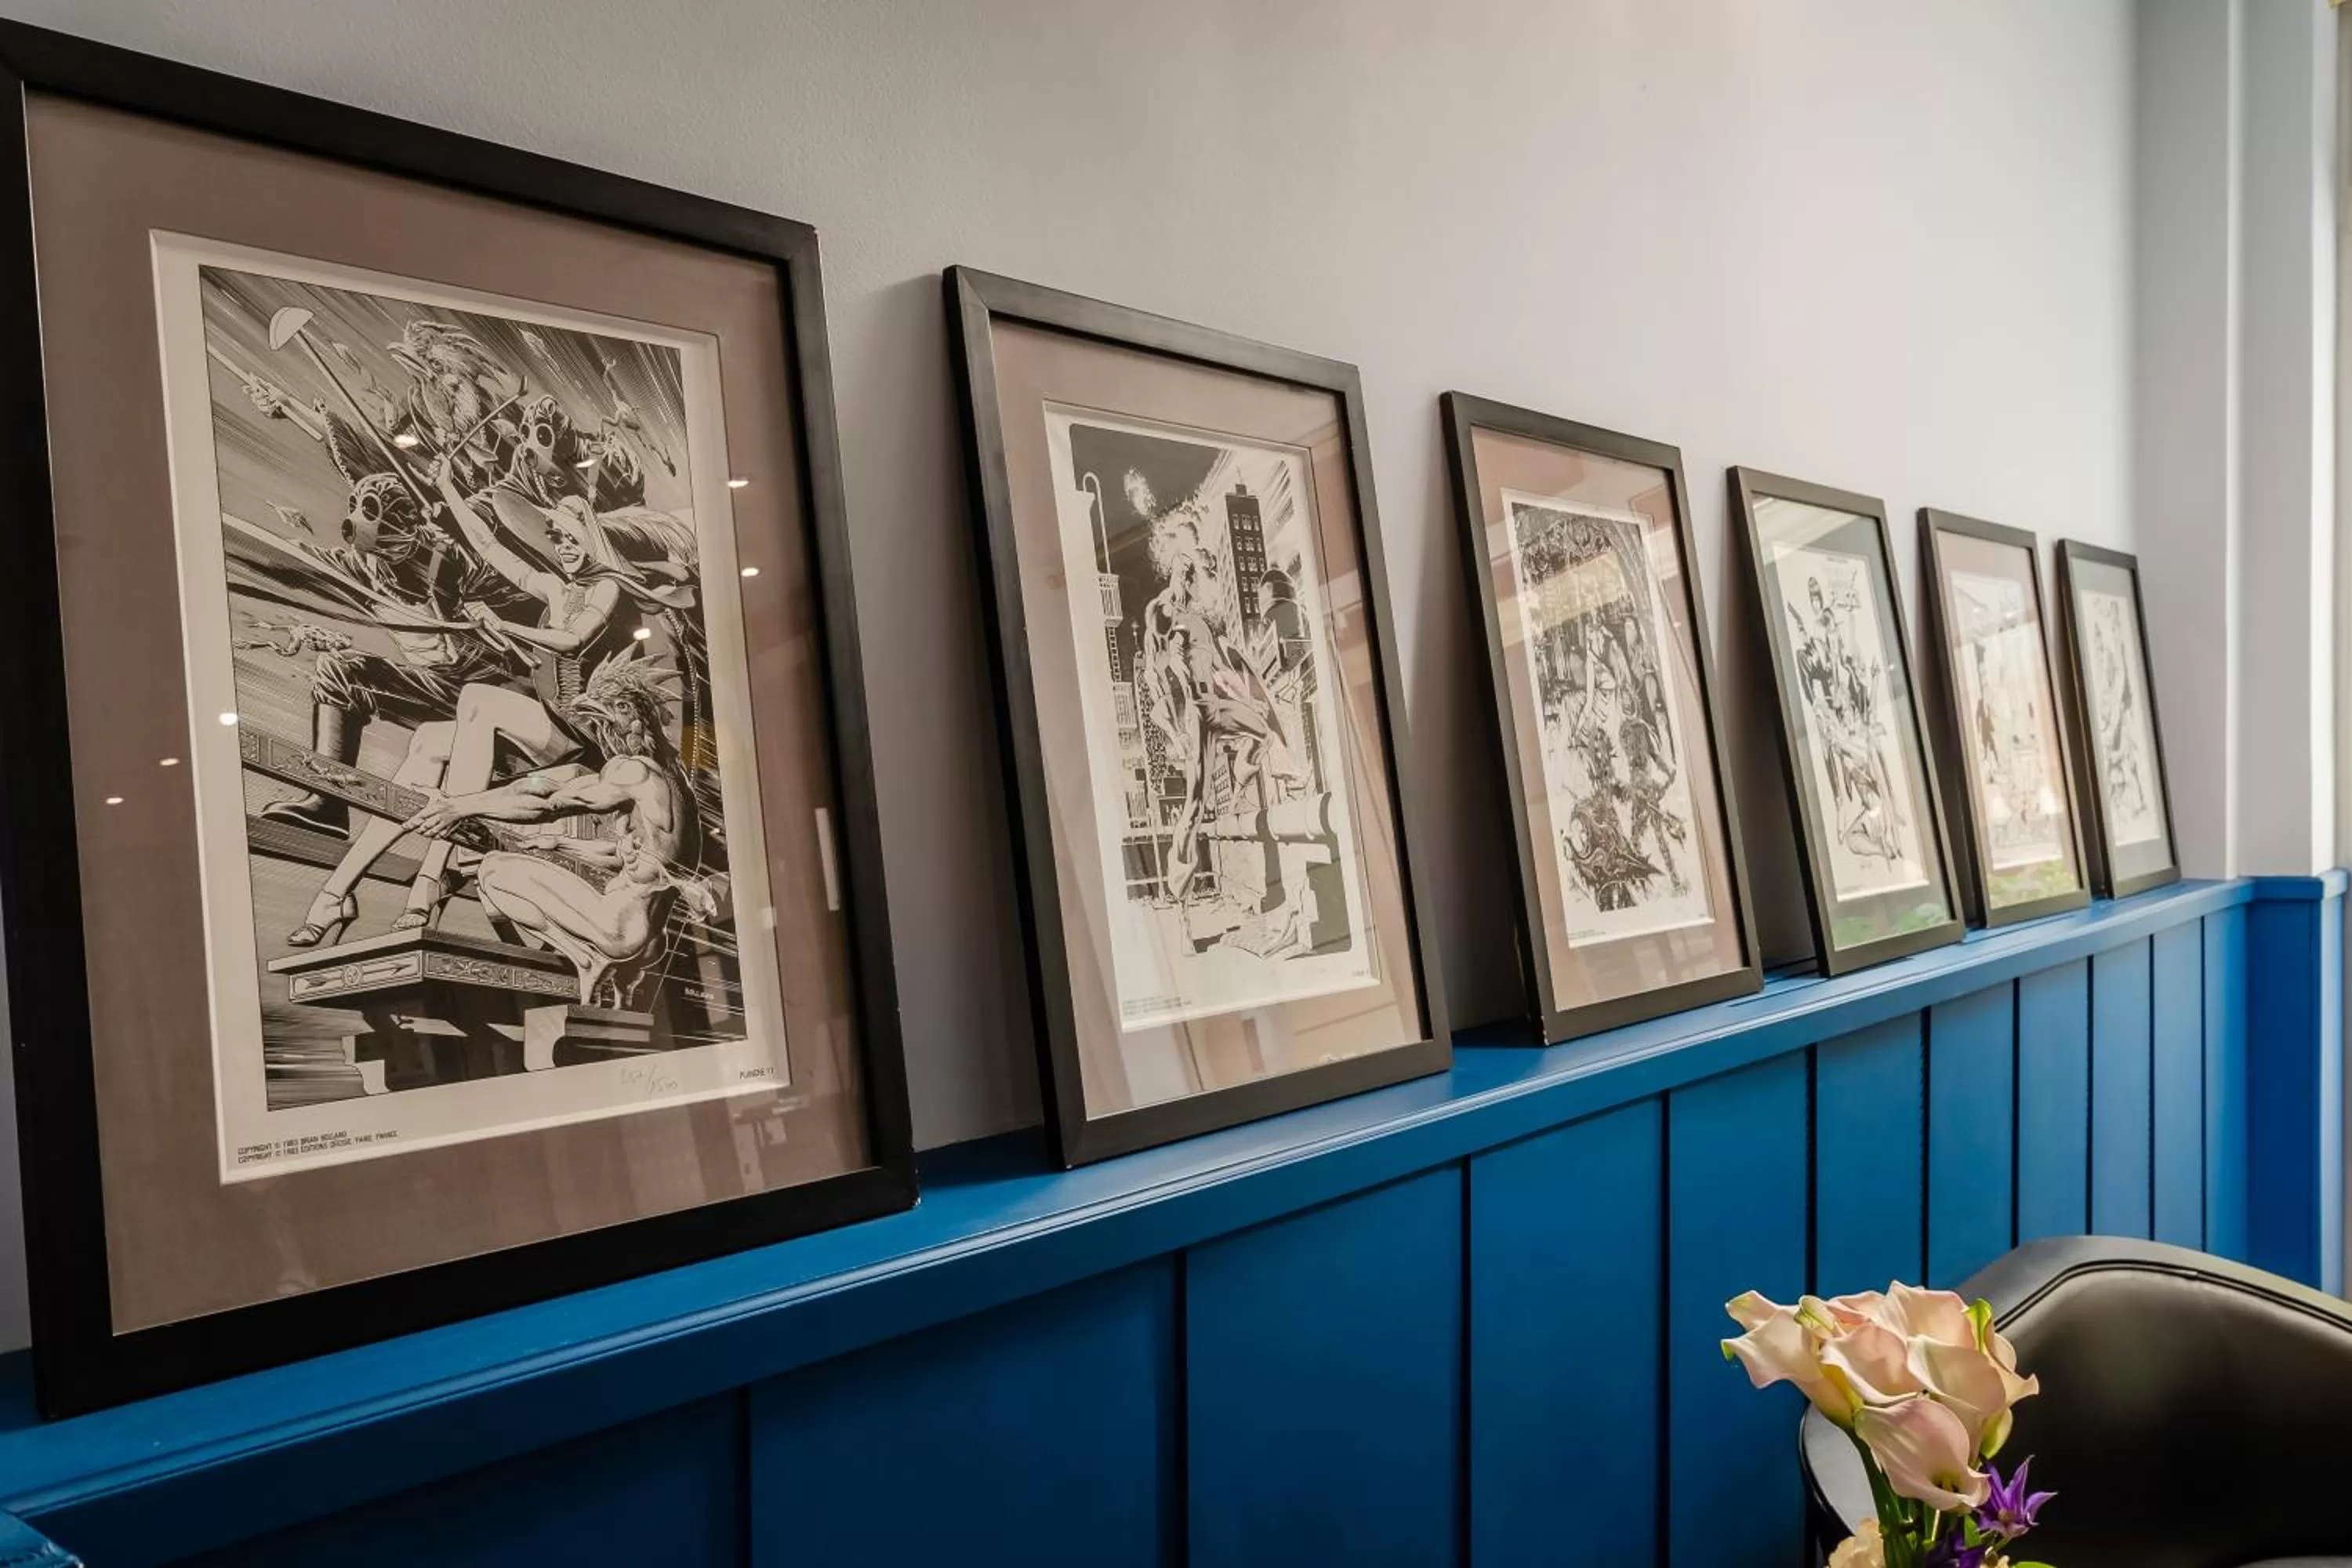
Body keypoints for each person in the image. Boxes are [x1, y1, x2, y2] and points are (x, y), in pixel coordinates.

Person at [283, 458, 644, 948]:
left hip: (578, 737)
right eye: (554, 537)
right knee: (428, 743)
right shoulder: (554, 587)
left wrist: (502, 624)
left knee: (476, 698)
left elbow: (569, 639)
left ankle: (429, 881)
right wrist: (449, 487)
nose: (561, 546)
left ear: (590, 536)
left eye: (569, 535)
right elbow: (488, 544)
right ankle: (337, 890)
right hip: (544, 722)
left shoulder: (606, 586)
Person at [400, 655, 716, 1010]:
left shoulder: (633, 771)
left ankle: (585, 958)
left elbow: (548, 801)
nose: (595, 711)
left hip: (616, 926)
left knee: (492, 870)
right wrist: (560, 843)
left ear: (637, 718)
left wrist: (460, 806)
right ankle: (599, 966)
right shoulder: (676, 789)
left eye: (618, 706)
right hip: (651, 940)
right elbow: (638, 859)